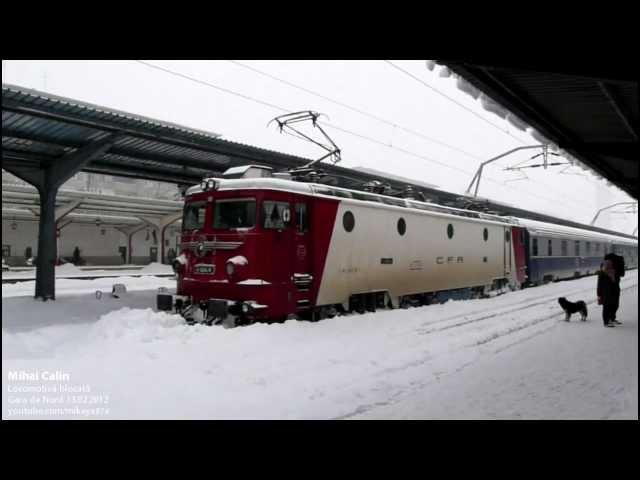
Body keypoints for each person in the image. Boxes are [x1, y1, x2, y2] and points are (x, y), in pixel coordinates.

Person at [597, 259, 621, 327]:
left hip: (615, 292)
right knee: (606, 308)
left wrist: (614, 278)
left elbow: (617, 281)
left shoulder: (614, 272)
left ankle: (612, 319)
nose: (609, 266)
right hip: (606, 294)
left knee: (615, 306)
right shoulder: (602, 273)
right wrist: (599, 294)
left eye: (610, 265)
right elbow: (599, 285)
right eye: (607, 265)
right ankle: (606, 322)